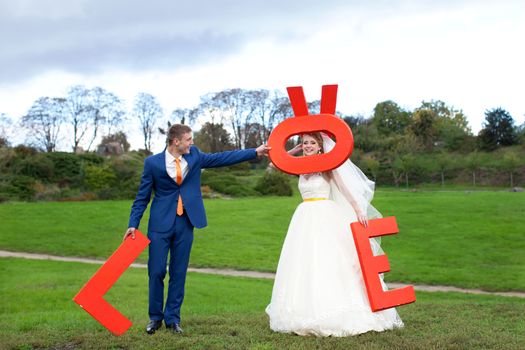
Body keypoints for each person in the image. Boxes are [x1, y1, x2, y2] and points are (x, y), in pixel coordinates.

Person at [124, 124, 270, 334]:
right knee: (156, 271)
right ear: (176, 142)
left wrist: (254, 152)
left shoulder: (195, 156)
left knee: (178, 272)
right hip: (159, 225)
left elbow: (222, 158)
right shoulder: (152, 163)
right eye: (189, 139)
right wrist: (133, 224)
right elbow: (142, 198)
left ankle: (172, 319)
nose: (192, 143)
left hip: (186, 222)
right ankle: (155, 318)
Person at [265, 132, 403, 336]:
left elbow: (344, 188)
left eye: (312, 143)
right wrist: (293, 150)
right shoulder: (299, 166)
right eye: (305, 143)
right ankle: (305, 309)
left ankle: (338, 307)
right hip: (304, 216)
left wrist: (358, 209)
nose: (308, 146)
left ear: (320, 146)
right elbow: (273, 166)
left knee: (331, 260)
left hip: (325, 216)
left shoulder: (327, 166)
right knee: (305, 261)